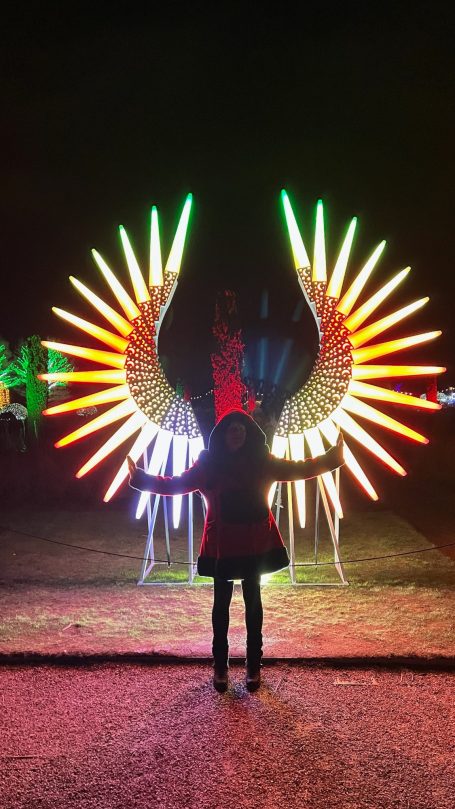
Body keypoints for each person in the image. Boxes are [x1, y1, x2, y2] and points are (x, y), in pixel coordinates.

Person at [127, 409, 344, 693]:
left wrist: (331, 458)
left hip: (253, 543)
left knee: (253, 606)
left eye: (241, 428)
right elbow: (177, 484)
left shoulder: (262, 461)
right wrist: (142, 478)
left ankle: (254, 665)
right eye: (232, 429)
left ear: (249, 433)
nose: (237, 432)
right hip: (223, 546)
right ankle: (221, 667)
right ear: (222, 435)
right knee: (221, 608)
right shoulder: (209, 465)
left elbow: (298, 469)